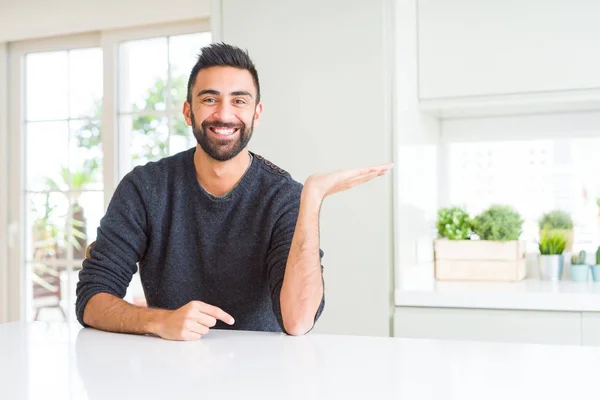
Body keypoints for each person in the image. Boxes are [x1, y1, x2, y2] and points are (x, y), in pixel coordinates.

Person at [75, 43, 392, 341]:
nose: (224, 115)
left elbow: (298, 322)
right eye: (209, 99)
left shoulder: (284, 197)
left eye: (239, 100)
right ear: (188, 112)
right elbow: (91, 298)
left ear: (256, 112)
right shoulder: (145, 188)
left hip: (265, 377)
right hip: (169, 373)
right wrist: (158, 321)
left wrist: (311, 197)